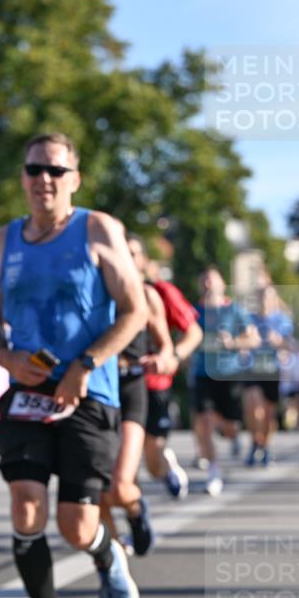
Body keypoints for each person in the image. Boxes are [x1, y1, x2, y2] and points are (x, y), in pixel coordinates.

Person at [0, 132, 146, 598]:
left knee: (76, 526)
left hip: (88, 392)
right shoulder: (4, 241)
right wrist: (7, 358)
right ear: (23, 177)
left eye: (55, 170)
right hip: (27, 393)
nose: (43, 179)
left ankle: (105, 553)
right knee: (26, 507)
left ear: (74, 178)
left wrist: (85, 365)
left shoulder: (96, 229)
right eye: (34, 169)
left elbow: (134, 311)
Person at [99, 236, 179, 557]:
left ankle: (135, 509)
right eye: (121, 253)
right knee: (94, 492)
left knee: (119, 487)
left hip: (131, 388)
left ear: (143, 261)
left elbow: (167, 347)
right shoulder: (95, 291)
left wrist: (163, 358)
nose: (126, 259)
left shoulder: (148, 296)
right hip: (94, 391)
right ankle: (114, 561)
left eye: (133, 254)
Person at [191, 266, 259, 495]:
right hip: (203, 374)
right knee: (204, 422)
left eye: (212, 280)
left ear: (222, 284)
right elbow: (184, 336)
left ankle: (232, 433)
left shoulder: (234, 310)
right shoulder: (195, 311)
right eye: (205, 281)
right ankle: (213, 472)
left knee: (229, 426)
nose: (208, 285)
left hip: (229, 374)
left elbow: (254, 339)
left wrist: (233, 343)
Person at [139, 252, 202, 499]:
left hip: (154, 384)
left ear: (143, 259)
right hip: (115, 385)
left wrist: (172, 356)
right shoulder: (104, 288)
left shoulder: (161, 292)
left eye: (134, 254)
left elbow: (194, 332)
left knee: (152, 462)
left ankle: (167, 469)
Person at [242, 284, 293, 466]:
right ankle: (254, 442)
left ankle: (264, 446)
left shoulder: (283, 320)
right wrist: (245, 346)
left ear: (274, 300)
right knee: (253, 407)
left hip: (272, 370)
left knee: (268, 414)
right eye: (262, 297)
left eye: (268, 297)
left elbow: (291, 346)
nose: (264, 301)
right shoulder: (249, 319)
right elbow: (242, 341)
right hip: (252, 369)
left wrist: (279, 342)